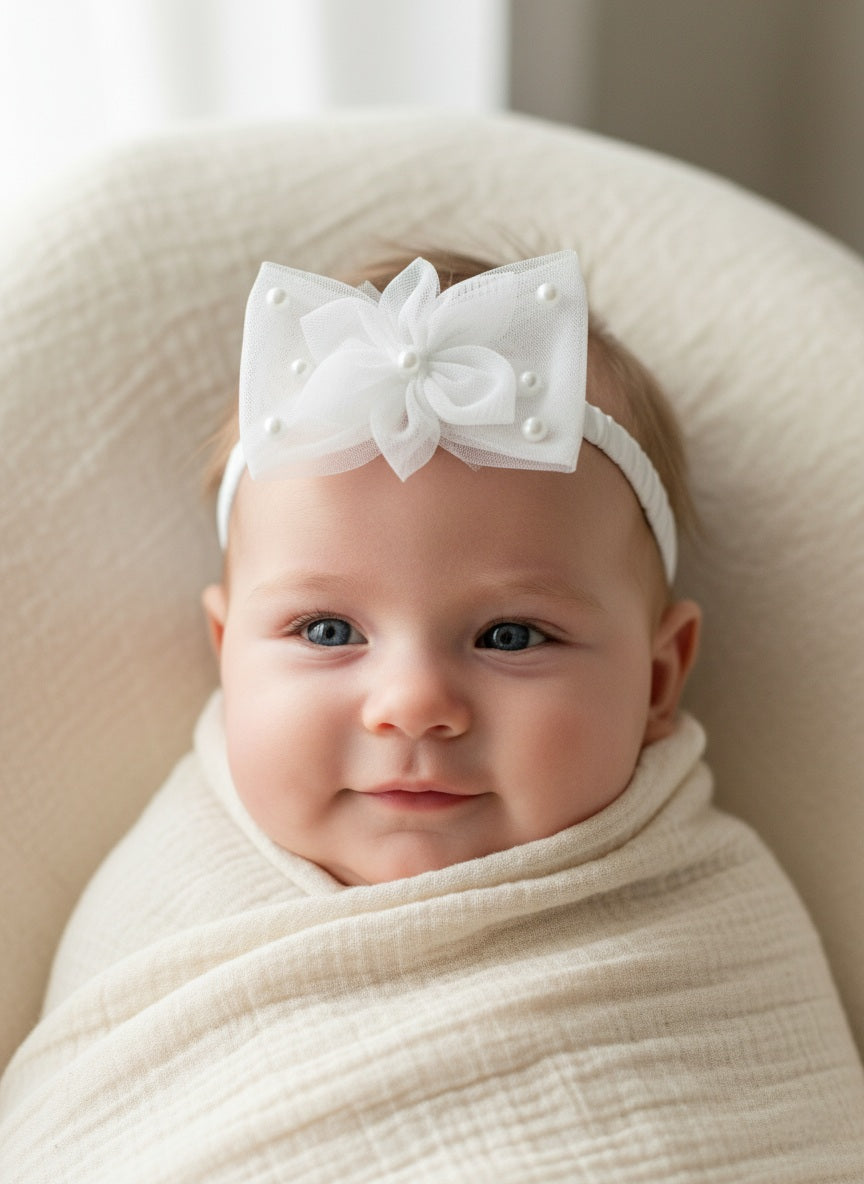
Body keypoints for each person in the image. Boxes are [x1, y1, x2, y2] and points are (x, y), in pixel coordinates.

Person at [1, 250, 862, 1183]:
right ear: (224, 654)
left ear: (659, 682)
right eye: (327, 628)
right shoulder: (170, 903)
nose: (413, 703)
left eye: (511, 636)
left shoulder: (707, 927)